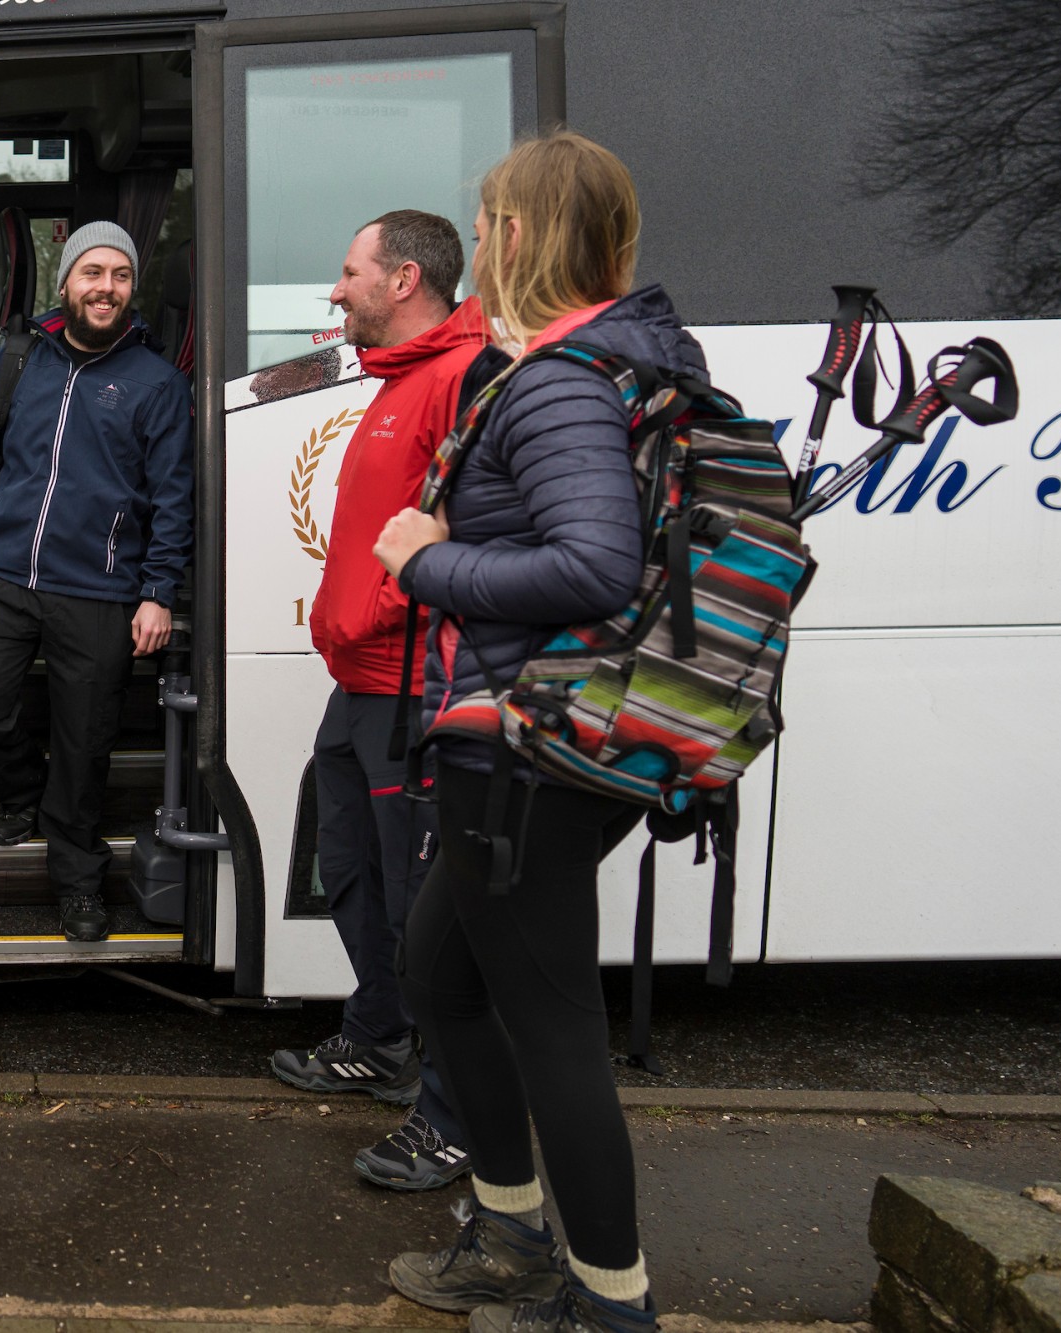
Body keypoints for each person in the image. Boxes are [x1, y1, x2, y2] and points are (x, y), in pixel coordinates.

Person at [373, 133, 695, 1332]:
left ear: (514, 235)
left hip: (528, 753)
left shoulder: (559, 380)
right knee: (439, 972)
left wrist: (427, 560)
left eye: (490, 221)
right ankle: (508, 1231)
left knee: (548, 1023)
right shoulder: (599, 363)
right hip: (515, 744)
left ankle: (610, 1304)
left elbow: (595, 563)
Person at [0, 221, 194, 943]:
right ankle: (25, 792)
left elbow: (173, 497)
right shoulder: (19, 359)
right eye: (93, 273)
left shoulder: (156, 382)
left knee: (86, 743)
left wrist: (157, 590)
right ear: (66, 282)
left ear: (131, 288)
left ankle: (79, 882)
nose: (106, 288)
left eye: (120, 275)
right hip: (4, 573)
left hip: (101, 588)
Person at [269, 211, 486, 1192]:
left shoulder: (461, 380)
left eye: (348, 272)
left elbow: (471, 538)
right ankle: (376, 1035)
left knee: (422, 908)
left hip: (411, 686)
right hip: (358, 684)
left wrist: (371, 613)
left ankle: (454, 1117)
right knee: (347, 868)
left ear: (402, 280)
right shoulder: (403, 382)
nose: (334, 288)